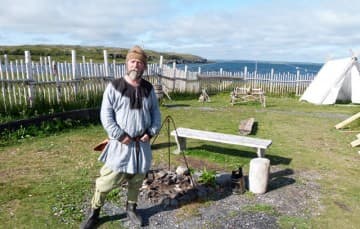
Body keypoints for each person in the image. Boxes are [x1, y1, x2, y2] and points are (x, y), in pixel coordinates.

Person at [82, 45, 162, 228]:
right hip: (120, 145)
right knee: (106, 181)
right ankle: (94, 212)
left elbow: (156, 113)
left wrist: (151, 132)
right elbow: (106, 115)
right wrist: (119, 135)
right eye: (133, 61)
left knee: (137, 180)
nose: (136, 65)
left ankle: (131, 209)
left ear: (145, 67)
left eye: (140, 63)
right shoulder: (114, 87)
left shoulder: (149, 89)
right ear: (127, 64)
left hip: (141, 146)